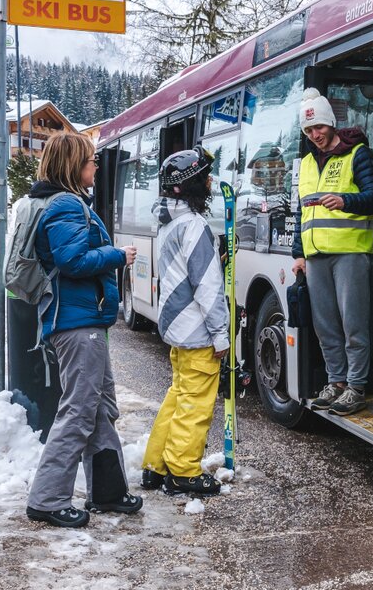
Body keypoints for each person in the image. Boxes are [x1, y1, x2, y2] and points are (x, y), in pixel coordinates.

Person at [25, 132, 140, 529]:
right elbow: (72, 260)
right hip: (76, 324)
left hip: (84, 321)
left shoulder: (67, 204)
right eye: (90, 160)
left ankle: (107, 490)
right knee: (78, 409)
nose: (96, 166)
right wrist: (117, 255)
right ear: (74, 166)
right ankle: (47, 499)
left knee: (99, 406)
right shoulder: (67, 206)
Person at [141, 147, 229, 496]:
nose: (210, 182)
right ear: (192, 184)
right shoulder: (195, 225)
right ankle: (183, 471)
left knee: (177, 397)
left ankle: (156, 465)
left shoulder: (169, 222)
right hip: (197, 332)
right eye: (204, 176)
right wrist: (221, 333)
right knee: (195, 404)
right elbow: (207, 286)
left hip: (177, 328)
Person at [291, 88, 373, 417]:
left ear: (331, 123)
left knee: (353, 323)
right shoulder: (308, 164)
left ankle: (356, 386)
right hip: (315, 258)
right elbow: (303, 213)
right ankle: (336, 381)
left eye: (320, 128)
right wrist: (298, 253)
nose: (315, 135)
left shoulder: (357, 155)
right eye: (309, 130)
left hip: (350, 253)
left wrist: (346, 201)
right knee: (325, 326)